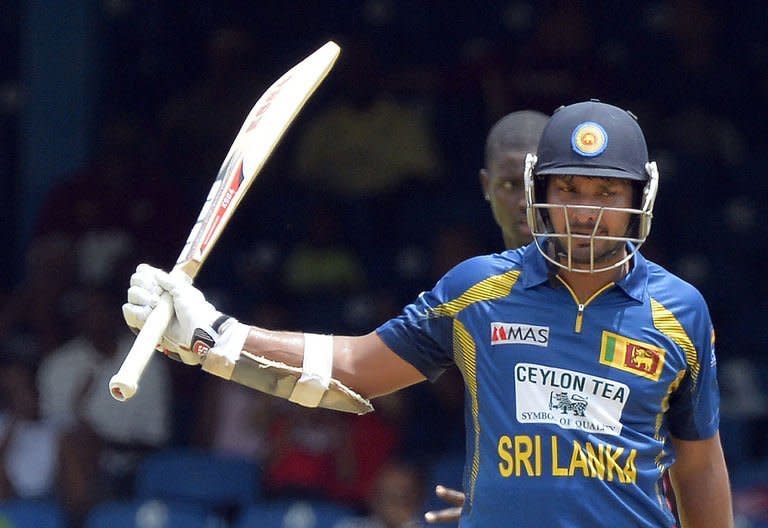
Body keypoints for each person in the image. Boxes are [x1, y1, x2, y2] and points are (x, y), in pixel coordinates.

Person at [123, 100, 733, 527]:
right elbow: (356, 367)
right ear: (537, 192)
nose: (586, 212)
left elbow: (700, 467)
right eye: (568, 189)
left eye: (607, 192)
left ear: (640, 199)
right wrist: (214, 335)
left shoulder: (680, 311)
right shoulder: (479, 289)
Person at [424, 109, 549, 524]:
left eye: (537, 184)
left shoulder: (611, 286)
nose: (525, 202)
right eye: (511, 185)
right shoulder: (469, 285)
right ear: (486, 185)